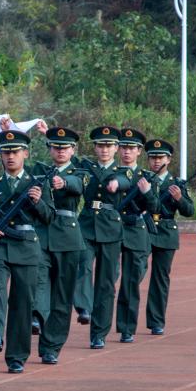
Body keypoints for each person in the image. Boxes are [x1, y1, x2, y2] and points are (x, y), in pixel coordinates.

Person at [0, 129, 54, 374]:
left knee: (22, 302)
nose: (10, 156)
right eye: (6, 152)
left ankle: (16, 356)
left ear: (25, 153)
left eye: (15, 151)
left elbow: (49, 217)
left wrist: (38, 202)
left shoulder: (37, 184)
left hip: (26, 245)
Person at [34, 127, 87, 364]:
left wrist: (63, 182)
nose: (60, 151)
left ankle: (52, 346)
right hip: (42, 234)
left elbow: (78, 185)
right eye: (56, 147)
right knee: (38, 280)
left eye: (65, 148)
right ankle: (37, 316)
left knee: (62, 296)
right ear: (50, 149)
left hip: (67, 237)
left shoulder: (80, 172)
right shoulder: (39, 170)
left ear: (73, 150)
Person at [78, 126, 129, 349]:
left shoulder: (122, 171)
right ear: (95, 148)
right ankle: (84, 307)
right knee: (82, 265)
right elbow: (64, 153)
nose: (104, 149)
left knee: (106, 284)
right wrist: (45, 132)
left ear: (116, 148)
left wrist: (117, 184)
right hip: (86, 225)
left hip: (110, 228)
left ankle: (99, 333)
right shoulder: (86, 167)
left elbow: (126, 180)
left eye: (109, 145)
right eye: (100, 145)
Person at [144, 139, 194, 335]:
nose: (157, 161)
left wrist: (179, 198)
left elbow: (189, 211)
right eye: (153, 157)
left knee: (160, 278)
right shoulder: (143, 180)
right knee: (135, 273)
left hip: (166, 232)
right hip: (144, 229)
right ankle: (127, 323)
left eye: (161, 157)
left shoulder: (176, 183)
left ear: (169, 159)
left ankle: (156, 321)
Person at [114, 128, 159, 343]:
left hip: (135, 229)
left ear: (139, 151)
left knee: (131, 281)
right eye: (123, 147)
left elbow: (155, 207)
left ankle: (126, 328)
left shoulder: (146, 177)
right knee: (107, 279)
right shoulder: (110, 172)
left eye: (132, 148)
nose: (127, 152)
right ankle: (99, 328)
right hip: (113, 227)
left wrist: (147, 192)